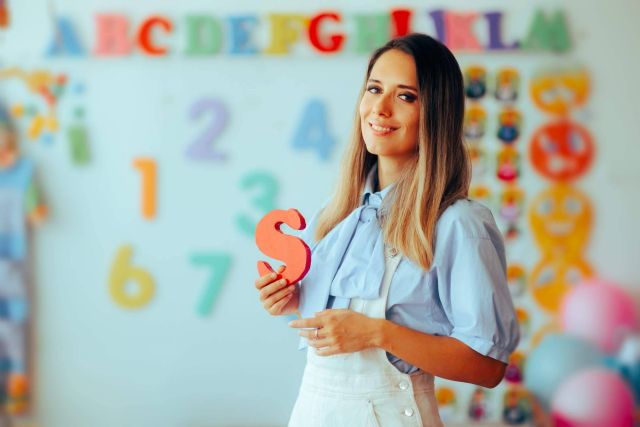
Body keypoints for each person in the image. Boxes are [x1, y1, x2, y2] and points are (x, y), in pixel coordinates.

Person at [255, 33, 519, 426]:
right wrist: (290, 298)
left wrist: (380, 333)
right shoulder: (336, 213)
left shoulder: (459, 223)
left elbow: (487, 367)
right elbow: (341, 319)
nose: (379, 109)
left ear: (436, 113)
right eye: (374, 89)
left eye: (405, 96)